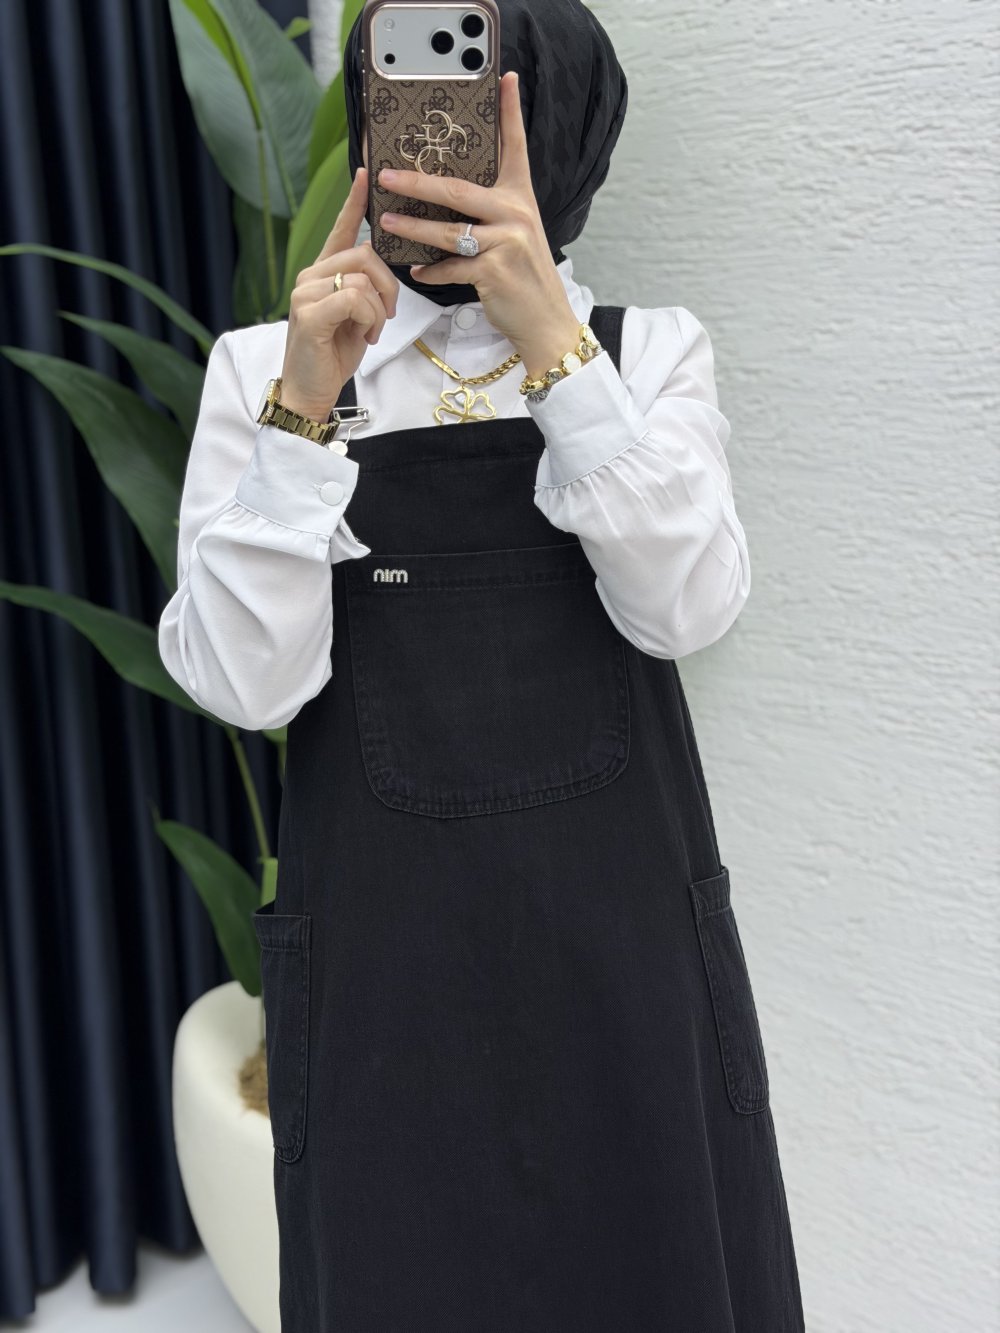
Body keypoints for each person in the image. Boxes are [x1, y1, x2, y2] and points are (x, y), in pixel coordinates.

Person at [158, 1, 806, 1327]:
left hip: (624, 965)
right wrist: (304, 412)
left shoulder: (646, 354)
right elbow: (242, 684)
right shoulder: (267, 370)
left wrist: (557, 353)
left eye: (474, 97)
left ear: (554, 123)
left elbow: (688, 608)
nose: (432, 137)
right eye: (399, 92)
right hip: (384, 981)